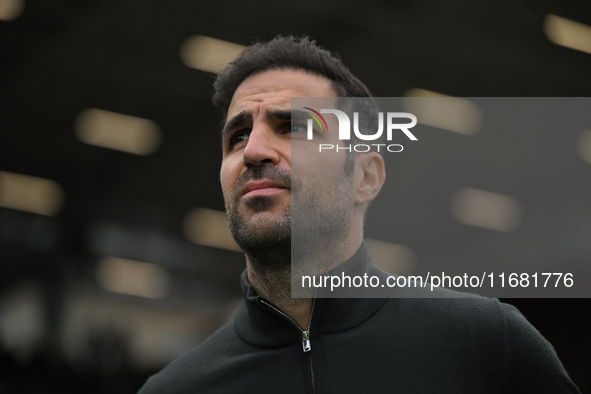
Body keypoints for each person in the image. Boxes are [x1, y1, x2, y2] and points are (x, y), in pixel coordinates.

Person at [139, 35, 580, 393]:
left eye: (292, 126)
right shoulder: (176, 389)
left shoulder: (484, 345)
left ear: (365, 177)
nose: (253, 150)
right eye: (237, 136)